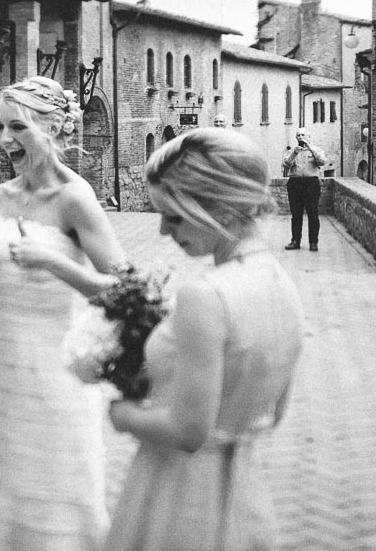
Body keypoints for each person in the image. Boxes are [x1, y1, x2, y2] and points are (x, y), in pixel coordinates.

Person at [104, 128, 304, 551]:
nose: (161, 230)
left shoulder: (205, 296)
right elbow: (274, 411)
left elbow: (188, 430)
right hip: (242, 485)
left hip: (179, 491)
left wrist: (121, 414)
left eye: (173, 216)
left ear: (221, 207)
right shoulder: (282, 284)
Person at [0, 76, 126, 551]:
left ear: (55, 130)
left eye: (20, 128)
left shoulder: (75, 199)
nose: (7, 140)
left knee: (52, 472)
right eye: (1, 128)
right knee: (1, 470)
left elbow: (126, 291)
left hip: (55, 360)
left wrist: (54, 263)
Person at [282, 127, 329, 252]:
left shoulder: (316, 150)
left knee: (313, 213)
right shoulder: (291, 151)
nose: (301, 137)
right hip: (295, 183)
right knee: (296, 214)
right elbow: (286, 165)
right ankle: (295, 241)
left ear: (309, 137)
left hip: (311, 183)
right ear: (296, 138)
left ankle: (313, 242)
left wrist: (310, 148)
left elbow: (322, 161)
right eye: (298, 135)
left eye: (303, 135)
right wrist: (294, 154)